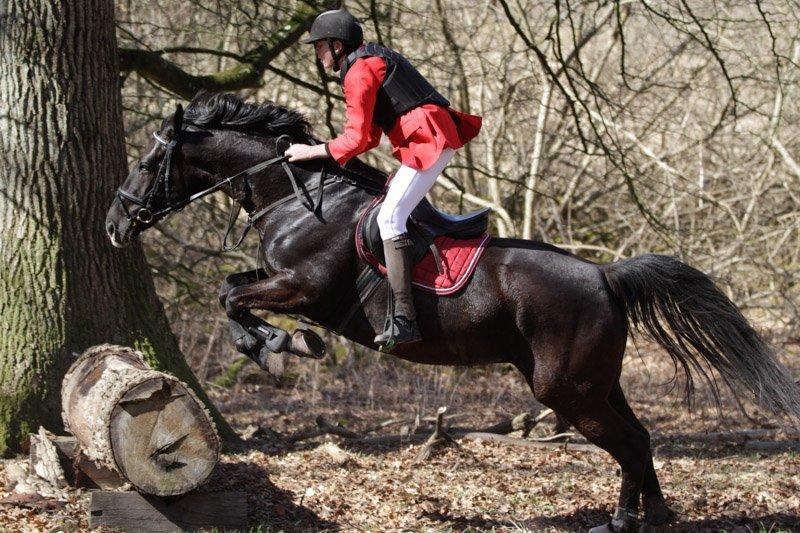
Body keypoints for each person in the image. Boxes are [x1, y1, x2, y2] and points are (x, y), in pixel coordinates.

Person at [285, 9, 482, 349]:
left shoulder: (359, 72)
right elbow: (371, 137)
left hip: (428, 138)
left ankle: (405, 318)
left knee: (390, 218)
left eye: (319, 46)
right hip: (427, 135)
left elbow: (358, 139)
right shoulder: (368, 61)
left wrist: (311, 151)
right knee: (390, 204)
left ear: (337, 45)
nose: (317, 53)